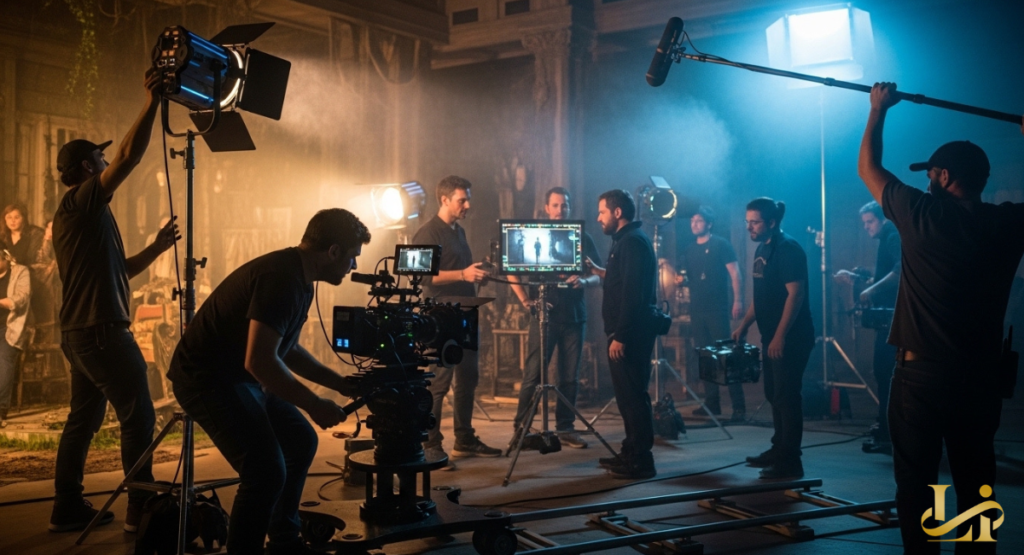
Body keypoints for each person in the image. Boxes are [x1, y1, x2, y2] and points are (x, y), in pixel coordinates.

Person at [858, 82, 1024, 554]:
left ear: (944, 176)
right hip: (981, 376)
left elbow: (868, 167)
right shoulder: (1008, 223)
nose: (927, 179)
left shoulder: (921, 213)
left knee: (917, 484)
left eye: (930, 173)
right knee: (976, 480)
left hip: (922, 375)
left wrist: (877, 110)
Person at [168, 208, 367, 555]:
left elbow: (283, 349)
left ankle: (284, 541)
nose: (353, 268)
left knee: (300, 441)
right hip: (207, 379)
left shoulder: (298, 277)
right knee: (264, 472)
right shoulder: (282, 280)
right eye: (351, 258)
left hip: (241, 378)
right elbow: (260, 360)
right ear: (333, 252)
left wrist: (338, 383)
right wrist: (314, 404)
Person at [49, 68, 180, 533]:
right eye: (99, 159)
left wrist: (157, 248)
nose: (106, 162)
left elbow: (120, 270)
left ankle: (67, 507)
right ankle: (139, 510)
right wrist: (152, 102)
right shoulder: (80, 203)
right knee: (138, 416)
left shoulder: (84, 218)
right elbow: (128, 155)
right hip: (102, 332)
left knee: (83, 419)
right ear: (87, 169)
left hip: (80, 333)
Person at [412, 175, 501, 466]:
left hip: (465, 313)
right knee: (439, 381)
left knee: (468, 378)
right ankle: (430, 443)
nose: (467, 204)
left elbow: (460, 270)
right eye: (462, 199)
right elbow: (422, 277)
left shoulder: (458, 232)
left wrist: (476, 272)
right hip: (440, 316)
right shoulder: (427, 233)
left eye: (468, 199)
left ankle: (464, 438)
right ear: (445, 200)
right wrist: (464, 274)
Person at [508, 187, 602, 449]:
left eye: (565, 205)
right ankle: (522, 430)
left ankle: (565, 428)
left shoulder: (583, 237)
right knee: (533, 375)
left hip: (574, 316)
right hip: (543, 315)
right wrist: (525, 301)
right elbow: (511, 269)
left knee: (569, 377)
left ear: (569, 208)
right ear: (547, 208)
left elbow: (599, 276)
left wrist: (583, 280)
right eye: (556, 205)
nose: (561, 210)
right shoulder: (535, 235)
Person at [731, 198, 815, 480]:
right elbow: (762, 296)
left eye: (754, 222)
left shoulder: (788, 249)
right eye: (747, 221)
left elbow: (796, 294)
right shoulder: (761, 249)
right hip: (771, 336)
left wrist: (780, 336)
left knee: (787, 396)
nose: (749, 227)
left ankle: (791, 461)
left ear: (771, 222)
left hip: (791, 338)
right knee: (774, 394)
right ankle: (778, 449)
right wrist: (744, 325)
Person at [587, 189, 658, 479]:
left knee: (633, 397)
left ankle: (641, 460)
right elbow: (622, 280)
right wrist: (600, 271)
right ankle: (630, 452)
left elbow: (633, 294)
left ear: (617, 213)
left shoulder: (632, 243)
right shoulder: (626, 241)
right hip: (624, 332)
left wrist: (621, 335)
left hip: (629, 335)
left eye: (602, 212)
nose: (598, 217)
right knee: (626, 397)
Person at [834, 201, 900, 455]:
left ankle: (888, 432)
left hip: (892, 319)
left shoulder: (893, 236)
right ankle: (885, 428)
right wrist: (862, 276)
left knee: (885, 373)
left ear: (883, 220)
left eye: (869, 222)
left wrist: (871, 289)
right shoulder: (888, 237)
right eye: (864, 224)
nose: (866, 227)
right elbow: (886, 272)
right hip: (887, 317)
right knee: (883, 373)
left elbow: (899, 270)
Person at [678, 206, 746, 421]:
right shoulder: (689, 249)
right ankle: (712, 404)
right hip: (697, 310)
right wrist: (682, 281)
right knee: (705, 357)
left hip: (717, 309)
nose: (694, 224)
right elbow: (693, 277)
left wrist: (738, 300)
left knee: (726, 356)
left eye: (698, 221)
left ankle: (739, 407)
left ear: (709, 223)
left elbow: (735, 274)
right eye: (692, 221)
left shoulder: (721, 245)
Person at [0, 248, 30, 428]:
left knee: (3, 360)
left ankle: (1, 409)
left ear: (5, 258)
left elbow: (21, 299)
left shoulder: (20, 272)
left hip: (10, 328)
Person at [1, 203, 45, 267]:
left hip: (30, 273)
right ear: (5, 220)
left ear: (23, 218)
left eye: (16, 217)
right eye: (9, 217)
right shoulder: (3, 237)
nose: (12, 221)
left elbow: (35, 260)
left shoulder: (35, 234)